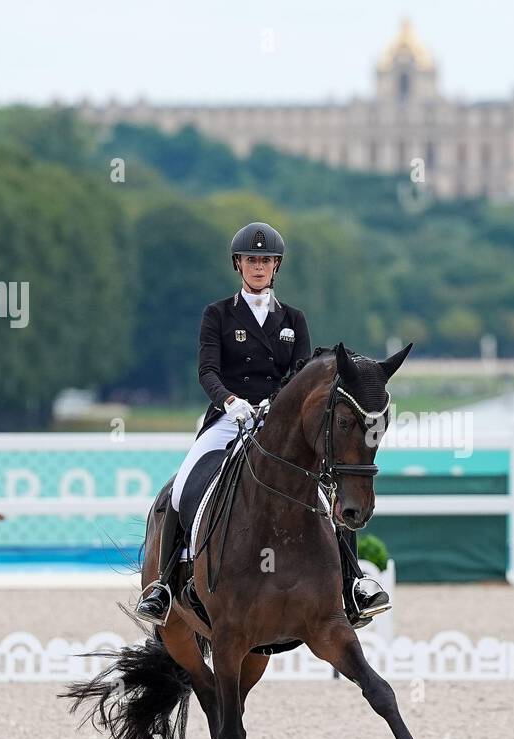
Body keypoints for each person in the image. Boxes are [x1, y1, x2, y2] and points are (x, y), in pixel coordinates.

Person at [134, 222, 391, 628]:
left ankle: (354, 584)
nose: (259, 266)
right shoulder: (217, 314)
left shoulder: (293, 319)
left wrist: (275, 404)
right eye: (252, 260)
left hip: (277, 421)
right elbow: (207, 371)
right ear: (239, 264)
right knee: (183, 486)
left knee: (326, 496)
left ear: (276, 267)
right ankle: (163, 587)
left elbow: (302, 374)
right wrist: (230, 401)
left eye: (266, 260)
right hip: (228, 418)